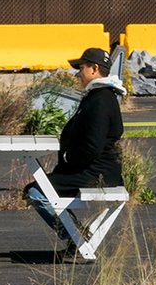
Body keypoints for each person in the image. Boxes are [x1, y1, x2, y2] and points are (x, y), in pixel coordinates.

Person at [49, 46, 125, 193]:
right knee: (43, 187)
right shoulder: (100, 95)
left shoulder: (101, 100)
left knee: (37, 191)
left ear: (94, 68)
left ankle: (65, 218)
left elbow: (92, 145)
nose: (78, 74)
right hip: (94, 170)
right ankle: (66, 218)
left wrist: (67, 157)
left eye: (82, 67)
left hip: (97, 174)